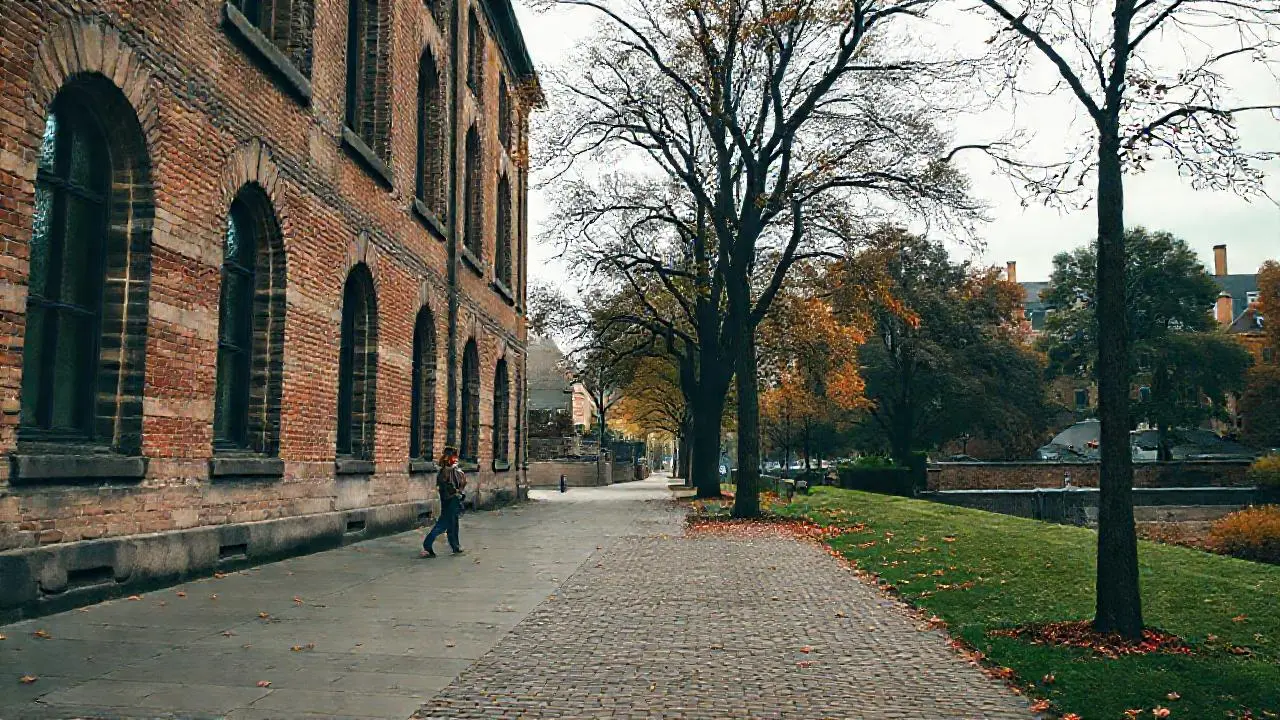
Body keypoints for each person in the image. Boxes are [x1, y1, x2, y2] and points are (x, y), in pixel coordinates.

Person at [422, 446, 467, 557]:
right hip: (452, 499)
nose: (456, 459)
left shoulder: (443, 470)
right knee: (444, 523)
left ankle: (455, 546)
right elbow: (458, 485)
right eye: (454, 456)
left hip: (447, 499)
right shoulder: (451, 470)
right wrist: (459, 492)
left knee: (453, 523)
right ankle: (427, 544)